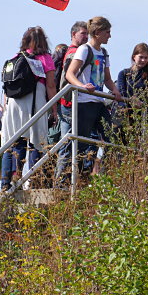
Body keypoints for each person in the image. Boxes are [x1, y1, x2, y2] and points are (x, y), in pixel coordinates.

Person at [62, 17, 123, 176]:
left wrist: (115, 91)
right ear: (97, 33)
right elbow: (70, 74)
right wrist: (82, 86)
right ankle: (69, 178)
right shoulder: (84, 49)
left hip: (98, 101)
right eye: (107, 32)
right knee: (81, 142)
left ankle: (105, 175)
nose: (109, 36)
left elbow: (107, 78)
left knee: (111, 138)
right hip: (84, 101)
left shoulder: (104, 52)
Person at [0, 26, 57, 190]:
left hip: (13, 104)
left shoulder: (15, 57)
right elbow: (51, 86)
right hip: (34, 102)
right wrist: (54, 110)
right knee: (36, 142)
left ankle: (6, 182)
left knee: (12, 143)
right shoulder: (45, 58)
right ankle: (34, 180)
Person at [55, 21, 89, 178]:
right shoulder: (74, 53)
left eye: (87, 33)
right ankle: (63, 179)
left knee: (67, 142)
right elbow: (69, 76)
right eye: (82, 33)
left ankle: (63, 179)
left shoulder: (74, 51)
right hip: (69, 102)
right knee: (69, 143)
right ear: (73, 35)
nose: (86, 36)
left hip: (66, 102)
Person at [114, 44, 148, 144]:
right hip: (125, 112)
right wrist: (132, 100)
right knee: (119, 140)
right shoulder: (124, 73)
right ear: (134, 57)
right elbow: (122, 92)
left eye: (146, 58)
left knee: (137, 142)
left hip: (141, 114)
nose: (143, 60)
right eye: (141, 57)